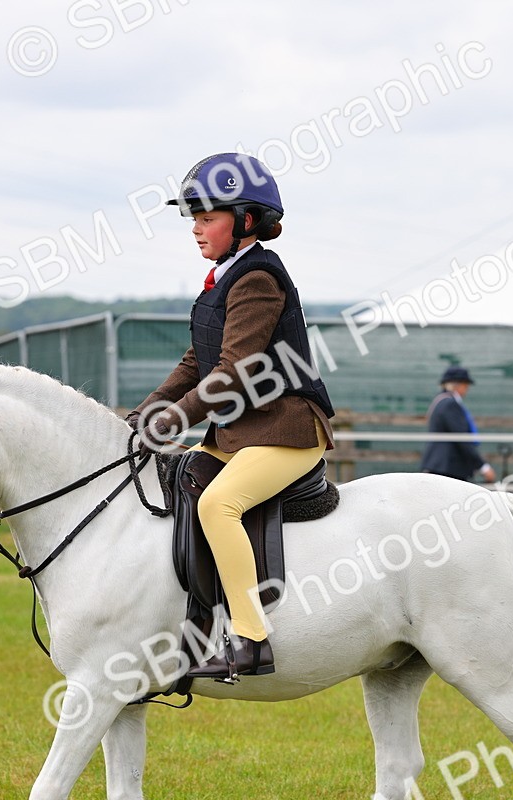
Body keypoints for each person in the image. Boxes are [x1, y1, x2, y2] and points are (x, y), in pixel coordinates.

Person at [127, 153, 335, 680]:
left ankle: (251, 640)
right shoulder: (222, 278)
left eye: (207, 218)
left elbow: (233, 372)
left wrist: (174, 420)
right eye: (193, 218)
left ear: (244, 221)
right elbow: (197, 361)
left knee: (219, 505)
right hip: (242, 431)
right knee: (177, 483)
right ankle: (195, 623)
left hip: (286, 428)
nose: (195, 229)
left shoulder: (257, 278)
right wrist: (152, 406)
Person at [420, 366, 497, 483]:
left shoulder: (442, 401)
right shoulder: (450, 405)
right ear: (456, 385)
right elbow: (462, 438)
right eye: (465, 385)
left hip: (442, 467)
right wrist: (483, 467)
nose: (467, 389)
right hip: (447, 468)